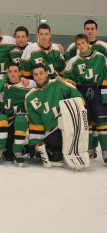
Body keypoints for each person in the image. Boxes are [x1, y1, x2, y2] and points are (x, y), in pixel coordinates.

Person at [25, 64, 83, 167]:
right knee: (54, 157)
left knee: (57, 152)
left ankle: (46, 150)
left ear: (47, 73)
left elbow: (76, 95)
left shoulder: (58, 83)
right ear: (33, 77)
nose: (39, 76)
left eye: (41, 73)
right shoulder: (30, 97)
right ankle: (41, 149)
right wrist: (36, 142)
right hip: (50, 133)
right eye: (35, 74)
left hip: (67, 128)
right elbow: (35, 123)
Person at [63, 34, 107, 164]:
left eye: (83, 43)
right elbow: (69, 79)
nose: (81, 46)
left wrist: (105, 96)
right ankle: (89, 150)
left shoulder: (100, 57)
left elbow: (106, 75)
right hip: (82, 93)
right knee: (86, 123)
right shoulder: (73, 61)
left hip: (98, 90)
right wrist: (74, 94)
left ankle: (105, 151)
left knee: (102, 122)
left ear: (88, 43)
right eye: (78, 44)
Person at [0, 63, 36, 165]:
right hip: (3, 121)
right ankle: (24, 149)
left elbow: (43, 82)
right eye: (10, 71)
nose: (12, 74)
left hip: (18, 120)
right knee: (8, 155)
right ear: (7, 73)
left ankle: (21, 150)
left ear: (20, 73)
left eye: (15, 71)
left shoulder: (28, 84)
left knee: (10, 155)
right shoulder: (1, 84)